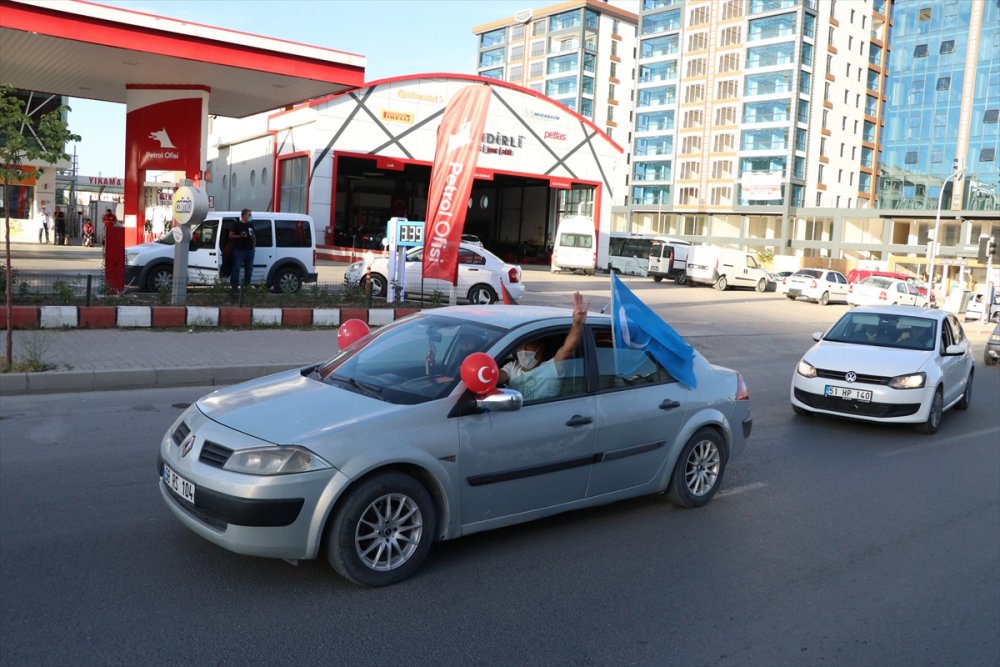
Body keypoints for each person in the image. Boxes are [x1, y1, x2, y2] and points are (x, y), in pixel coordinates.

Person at [498, 291, 588, 400]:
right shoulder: (512, 367)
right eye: (520, 347)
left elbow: (568, 349)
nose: (523, 350)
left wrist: (577, 324)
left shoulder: (551, 368)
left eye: (528, 346)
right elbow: (494, 378)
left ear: (540, 348)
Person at [228, 208, 256, 290]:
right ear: (244, 216)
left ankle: (247, 286)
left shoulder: (251, 224)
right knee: (236, 268)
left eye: (251, 215)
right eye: (249, 215)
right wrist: (240, 235)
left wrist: (253, 248)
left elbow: (254, 236)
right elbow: (230, 236)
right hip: (239, 250)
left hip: (250, 251)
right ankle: (234, 287)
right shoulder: (236, 224)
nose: (251, 216)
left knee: (249, 270)